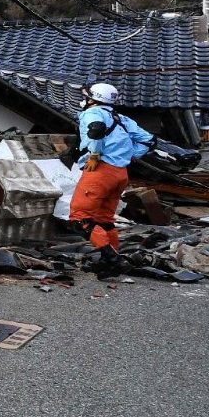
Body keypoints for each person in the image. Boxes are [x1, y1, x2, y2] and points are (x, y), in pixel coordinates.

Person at [69, 82, 153, 279]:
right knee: (104, 219)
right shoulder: (121, 118)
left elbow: (95, 129)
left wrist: (95, 155)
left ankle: (114, 260)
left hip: (99, 172)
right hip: (120, 173)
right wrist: (129, 155)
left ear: (93, 98)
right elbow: (149, 140)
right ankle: (110, 262)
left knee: (80, 218)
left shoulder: (92, 113)